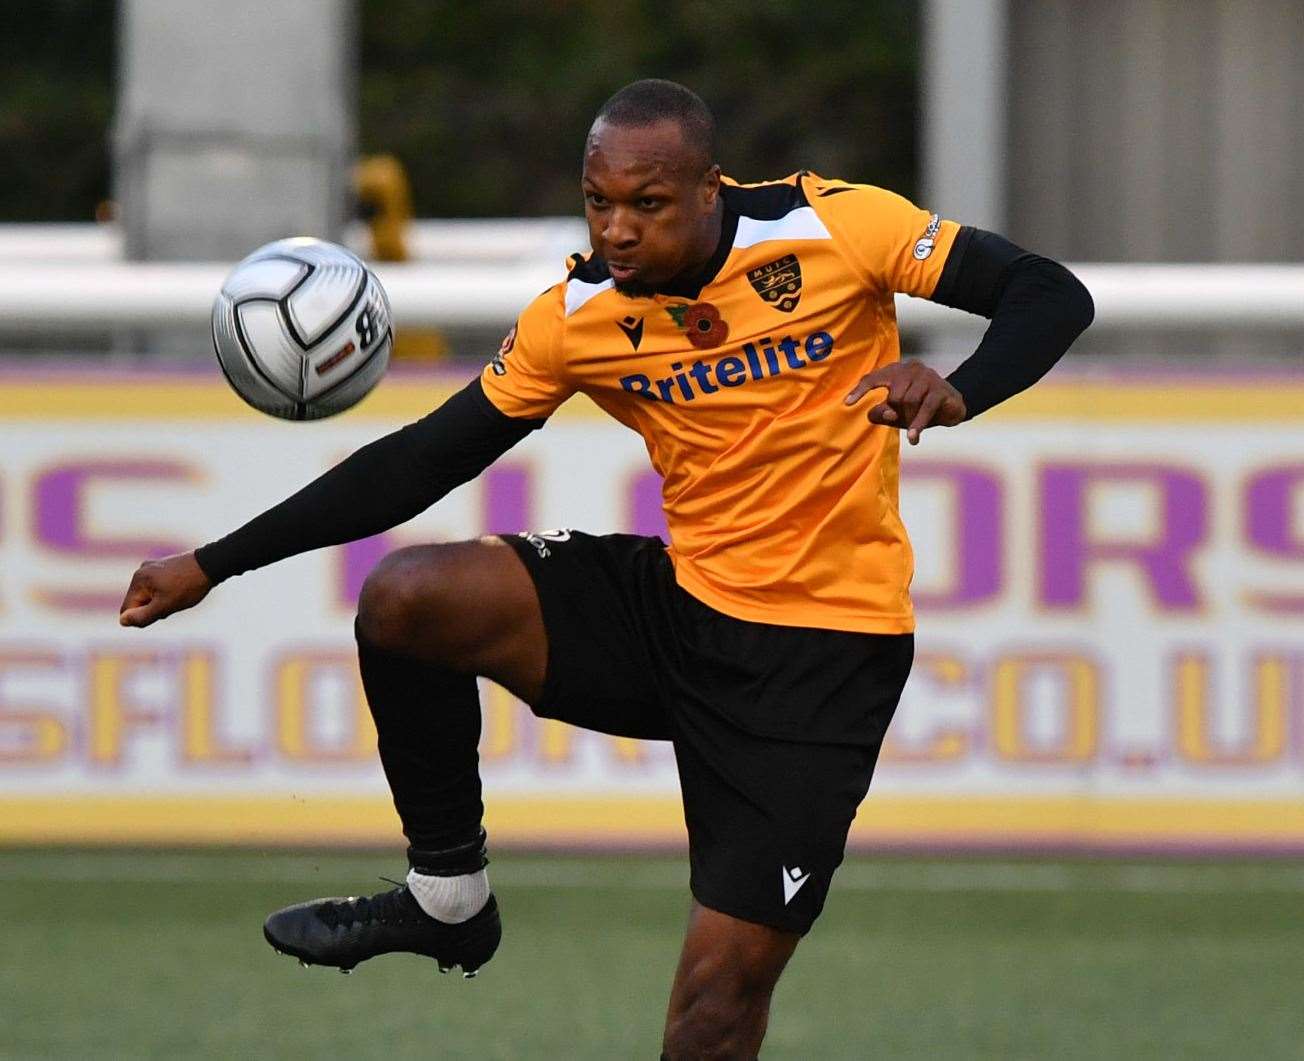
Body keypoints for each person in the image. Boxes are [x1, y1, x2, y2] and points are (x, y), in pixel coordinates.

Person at [119, 78, 1092, 1059]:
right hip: (678, 612)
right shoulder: (578, 315)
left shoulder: (834, 226)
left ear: (709, 189)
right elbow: (418, 461)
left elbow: (1049, 292)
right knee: (407, 599)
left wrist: (960, 388)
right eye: (598, 202)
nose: (616, 230)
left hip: (818, 665)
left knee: (710, 1013)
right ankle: (447, 895)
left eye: (646, 204)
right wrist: (212, 562)